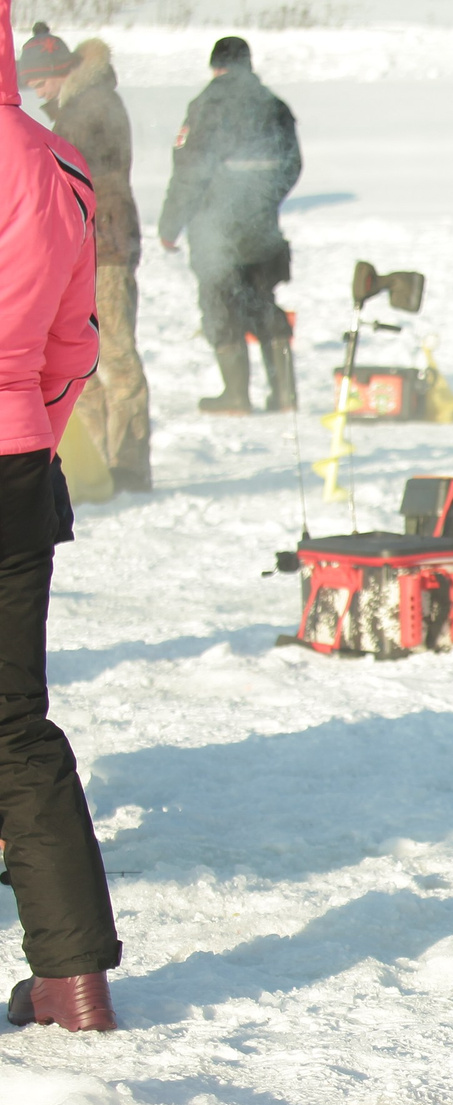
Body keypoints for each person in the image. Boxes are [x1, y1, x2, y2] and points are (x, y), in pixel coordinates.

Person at [0, 8, 123, 1032]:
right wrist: (31, 426)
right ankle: (73, 982)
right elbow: (75, 340)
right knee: (13, 724)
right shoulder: (54, 163)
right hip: (14, 458)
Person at [20, 23, 147, 491]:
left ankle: (128, 464)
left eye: (41, 81)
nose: (36, 90)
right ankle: (94, 464)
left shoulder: (87, 109)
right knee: (83, 356)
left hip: (105, 248)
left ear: (62, 71)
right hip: (89, 247)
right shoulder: (80, 107)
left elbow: (64, 183)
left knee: (114, 352)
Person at [157, 36, 299, 416]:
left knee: (220, 305)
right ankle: (285, 396)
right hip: (263, 230)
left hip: (215, 229)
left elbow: (189, 172)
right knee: (264, 302)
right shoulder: (274, 105)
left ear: (216, 66)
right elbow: (293, 164)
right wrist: (264, 200)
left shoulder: (206, 106)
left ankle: (236, 397)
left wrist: (170, 225)